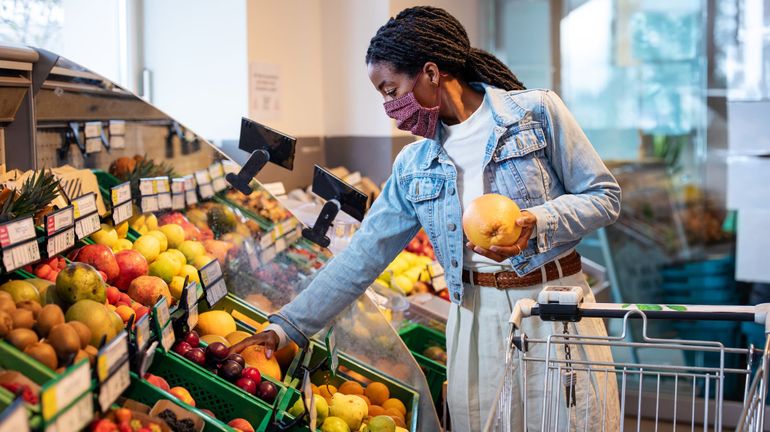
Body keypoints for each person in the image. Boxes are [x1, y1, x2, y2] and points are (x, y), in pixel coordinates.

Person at [232, 6, 621, 431]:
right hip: (474, 318)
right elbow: (361, 257)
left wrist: (535, 221)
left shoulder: (536, 113)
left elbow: (604, 196)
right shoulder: (414, 164)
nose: (389, 107)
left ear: (432, 73)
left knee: (572, 421)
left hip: (554, 305)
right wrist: (288, 326)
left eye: (390, 89)